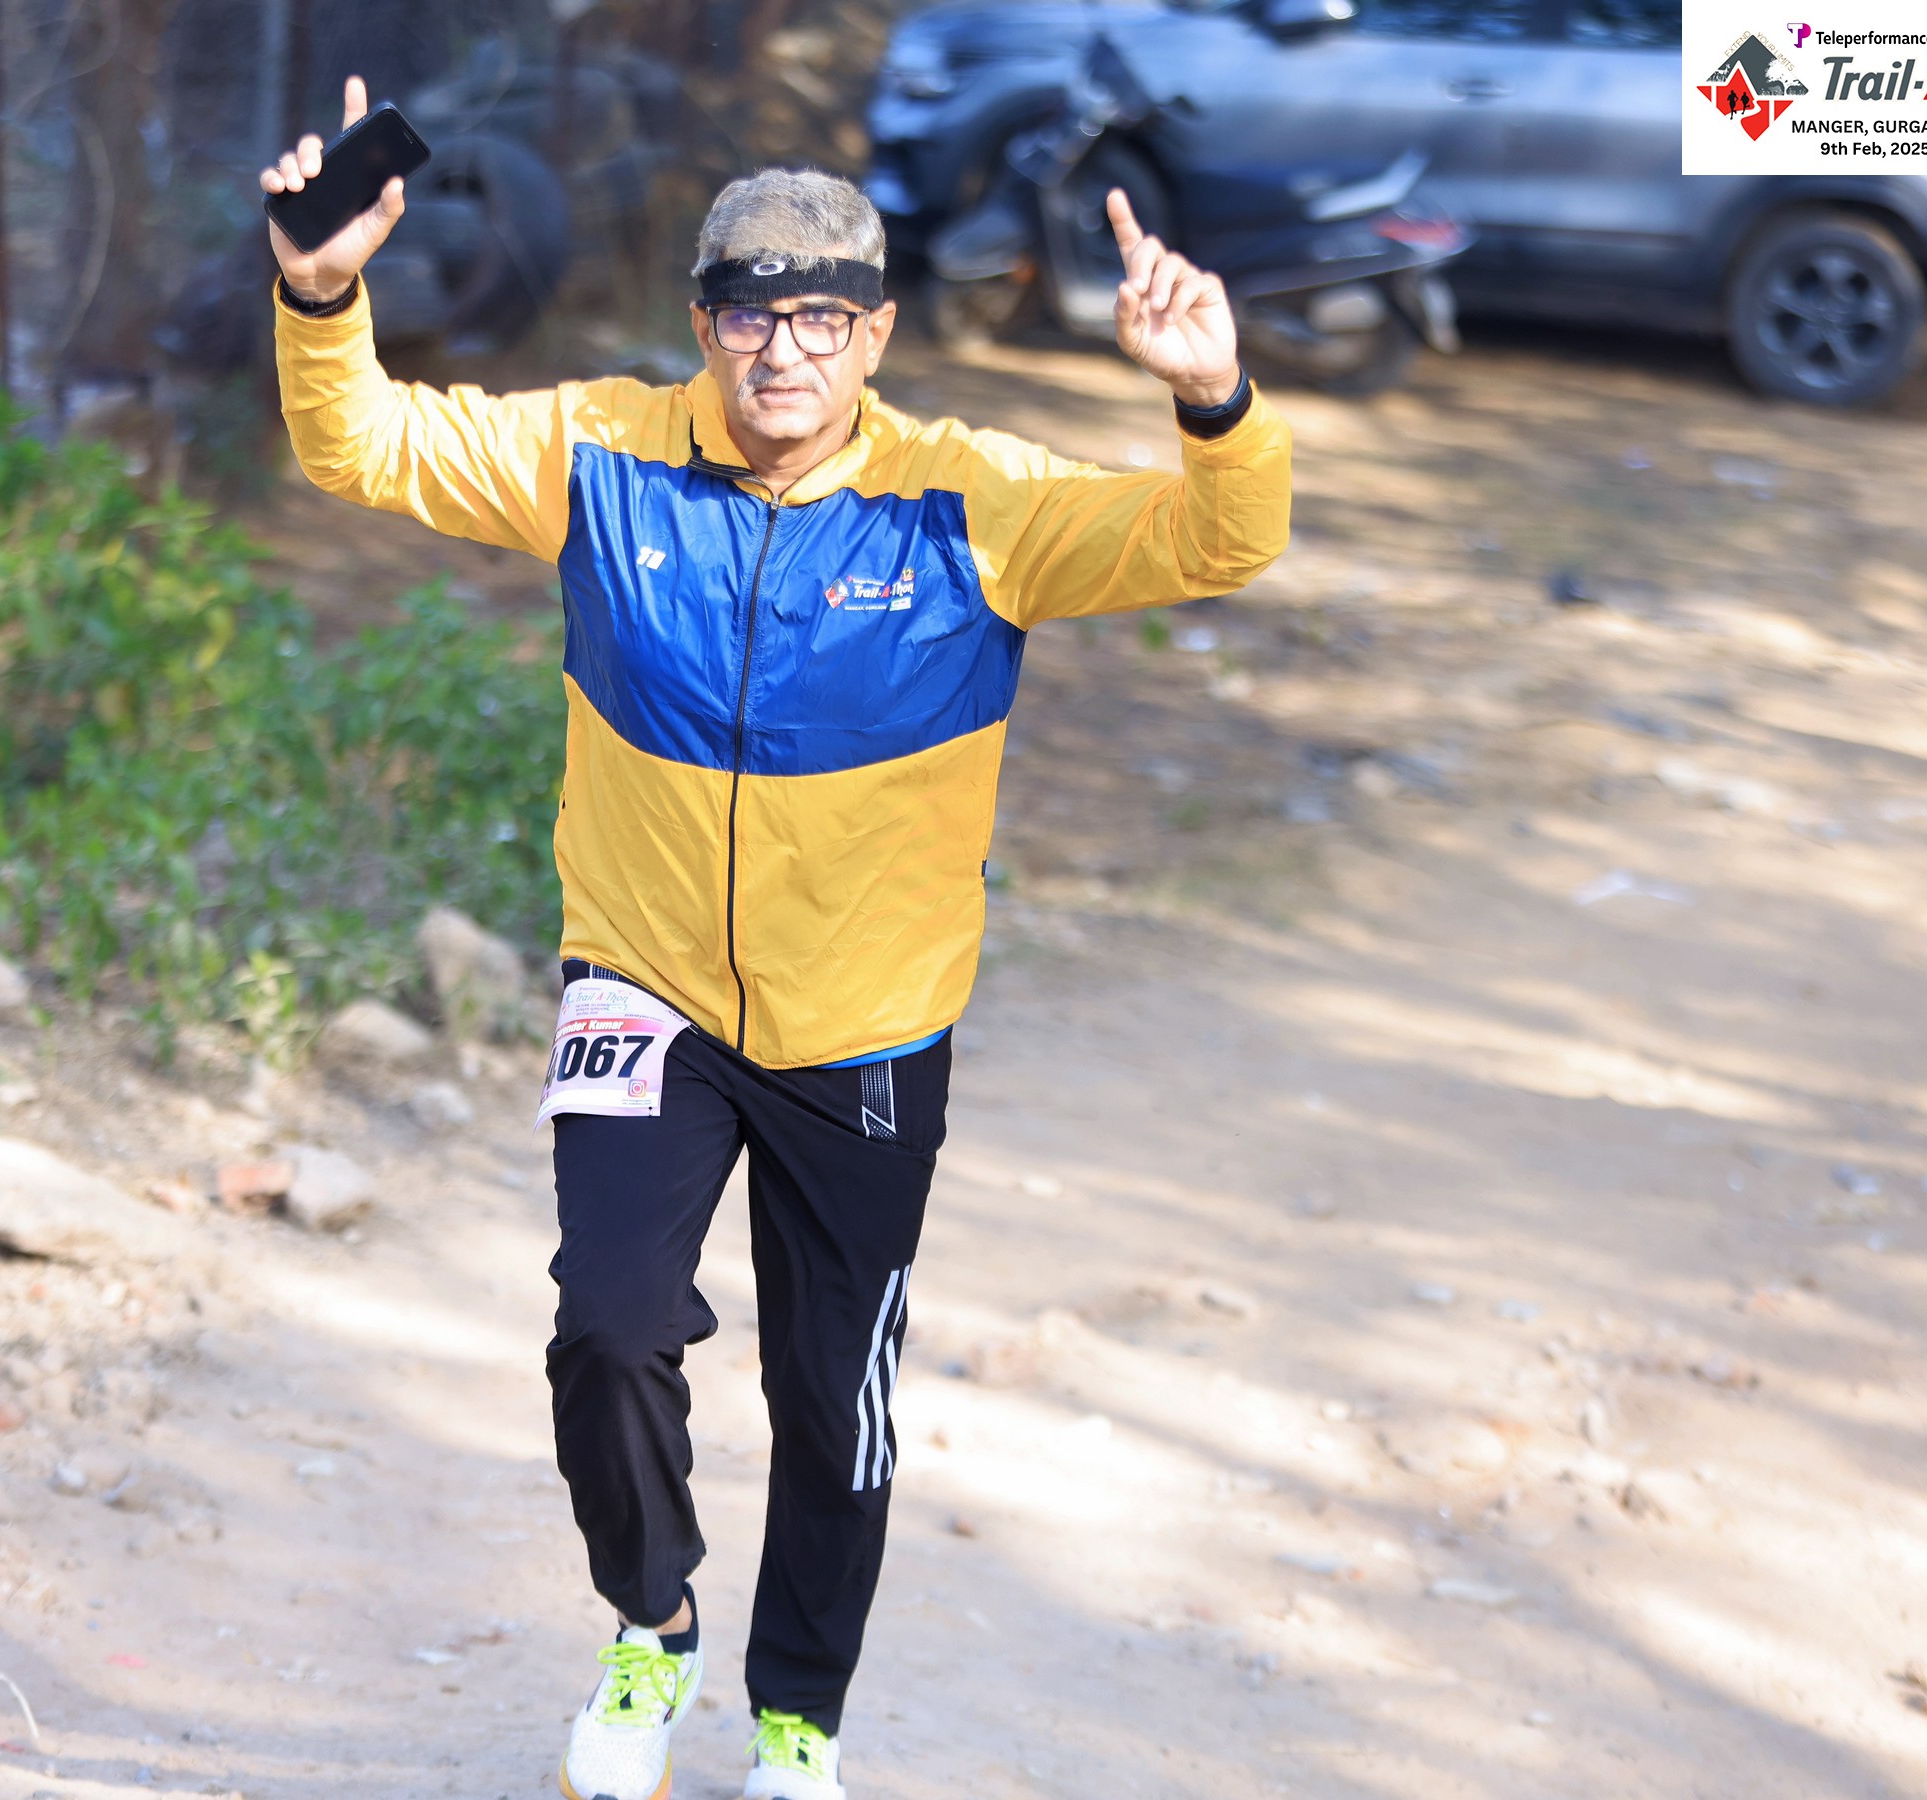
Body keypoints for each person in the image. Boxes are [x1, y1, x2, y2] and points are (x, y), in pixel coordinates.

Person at [263, 75, 1291, 1800]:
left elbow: (1220, 540)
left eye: (822, 320)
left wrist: (1213, 397)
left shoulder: (974, 503)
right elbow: (360, 443)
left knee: (831, 1398)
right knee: (608, 1326)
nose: (782, 353)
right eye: (750, 315)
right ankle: (650, 1628)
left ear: (875, 335)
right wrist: (318, 295)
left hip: (868, 1026)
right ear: (704, 325)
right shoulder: (600, 455)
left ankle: (798, 1718)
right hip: (646, 986)